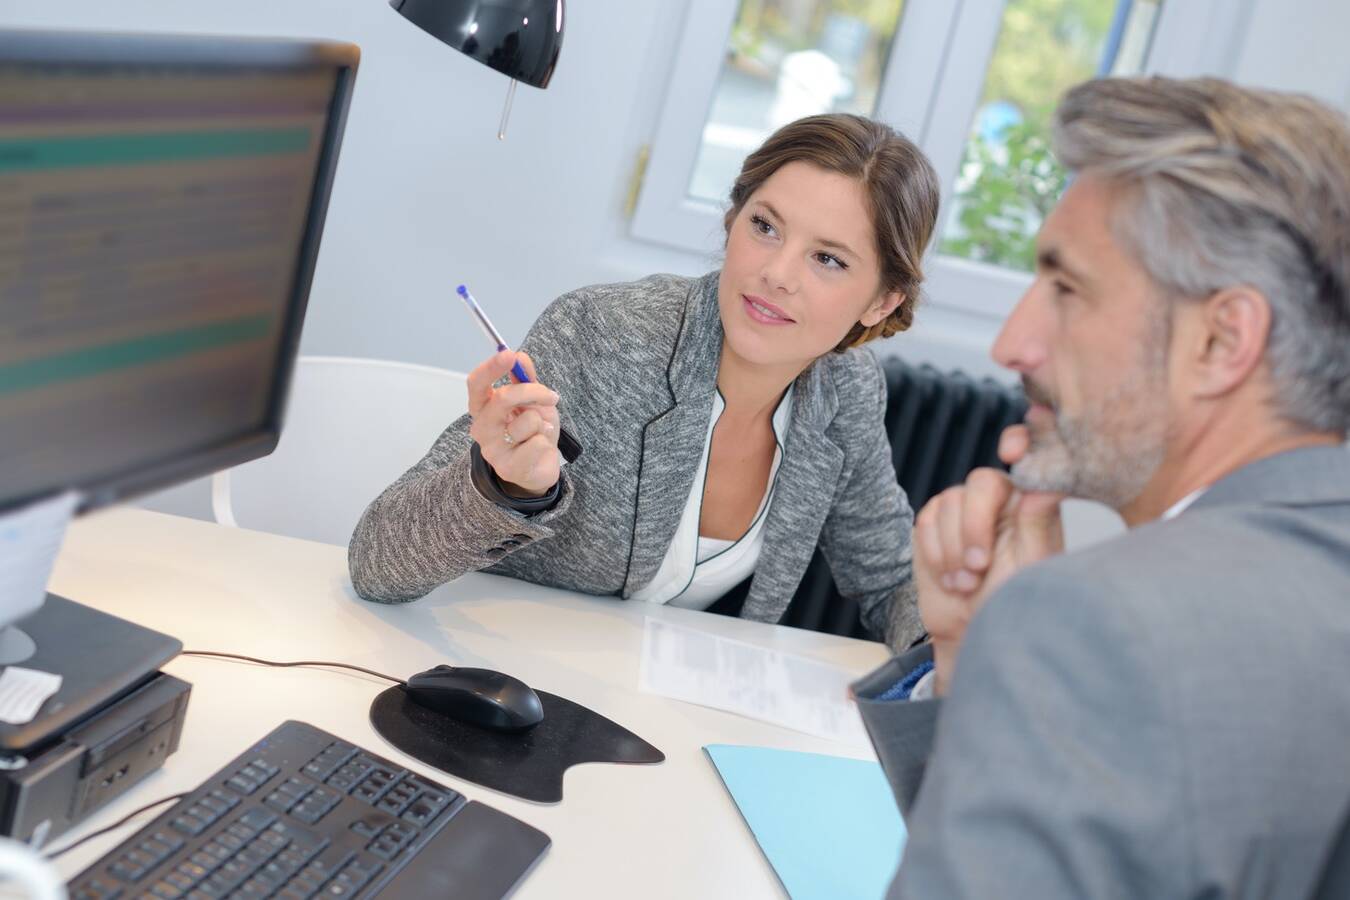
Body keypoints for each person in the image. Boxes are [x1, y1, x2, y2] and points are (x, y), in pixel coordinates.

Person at [853, 76, 1350, 897]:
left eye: (1067, 288)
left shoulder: (1097, 627)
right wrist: (976, 666)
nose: (1014, 344)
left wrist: (1018, 659)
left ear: (1223, 340)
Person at [349, 114, 939, 648]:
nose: (776, 273)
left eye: (828, 259)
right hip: (484, 674)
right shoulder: (605, 333)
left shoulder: (846, 388)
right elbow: (375, 563)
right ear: (734, 220)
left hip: (647, 721)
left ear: (882, 301)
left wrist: (950, 667)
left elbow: (891, 578)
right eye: (765, 226)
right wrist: (505, 490)